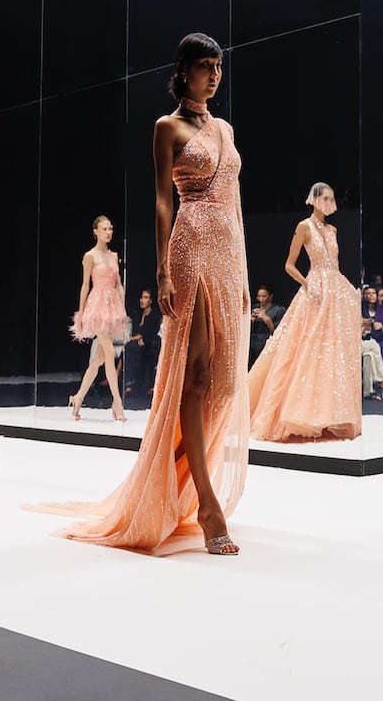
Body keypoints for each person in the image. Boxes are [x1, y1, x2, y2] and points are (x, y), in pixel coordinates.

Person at [31, 33, 248, 555]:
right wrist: (162, 272)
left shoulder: (225, 128)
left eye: (218, 66)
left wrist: (244, 273)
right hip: (191, 248)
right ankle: (207, 502)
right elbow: (159, 200)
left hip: (228, 254)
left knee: (223, 382)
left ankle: (179, 477)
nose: (214, 75)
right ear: (184, 71)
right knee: (194, 376)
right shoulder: (166, 127)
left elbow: (236, 203)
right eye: (204, 66)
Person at [248, 183, 362, 441]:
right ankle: (298, 413)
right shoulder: (303, 226)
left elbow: (335, 263)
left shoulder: (333, 229)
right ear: (315, 200)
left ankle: (329, 415)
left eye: (333, 198)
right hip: (315, 290)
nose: (330, 203)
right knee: (304, 349)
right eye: (326, 198)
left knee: (332, 352)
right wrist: (307, 283)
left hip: (335, 289)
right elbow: (289, 264)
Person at [67, 215, 128, 421]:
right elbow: (85, 285)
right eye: (104, 229)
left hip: (113, 307)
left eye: (110, 228)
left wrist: (123, 305)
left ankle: (78, 397)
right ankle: (117, 403)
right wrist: (81, 312)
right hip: (97, 306)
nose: (109, 232)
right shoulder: (90, 256)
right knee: (110, 352)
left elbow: (119, 282)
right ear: (96, 231)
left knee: (100, 359)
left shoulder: (113, 255)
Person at [124, 289, 161, 404]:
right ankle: (130, 382)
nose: (142, 300)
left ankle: (137, 383)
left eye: (145, 297)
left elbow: (152, 331)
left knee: (135, 347)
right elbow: (136, 331)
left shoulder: (155, 314)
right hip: (138, 341)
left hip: (150, 341)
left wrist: (141, 337)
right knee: (130, 348)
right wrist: (137, 337)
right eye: (142, 297)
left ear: (150, 300)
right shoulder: (137, 314)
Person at [249, 285, 285, 365]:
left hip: (267, 342)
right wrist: (250, 320)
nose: (261, 299)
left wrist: (266, 318)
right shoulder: (253, 308)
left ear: (270, 296)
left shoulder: (278, 310)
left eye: (264, 296)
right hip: (252, 344)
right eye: (259, 296)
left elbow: (277, 332)